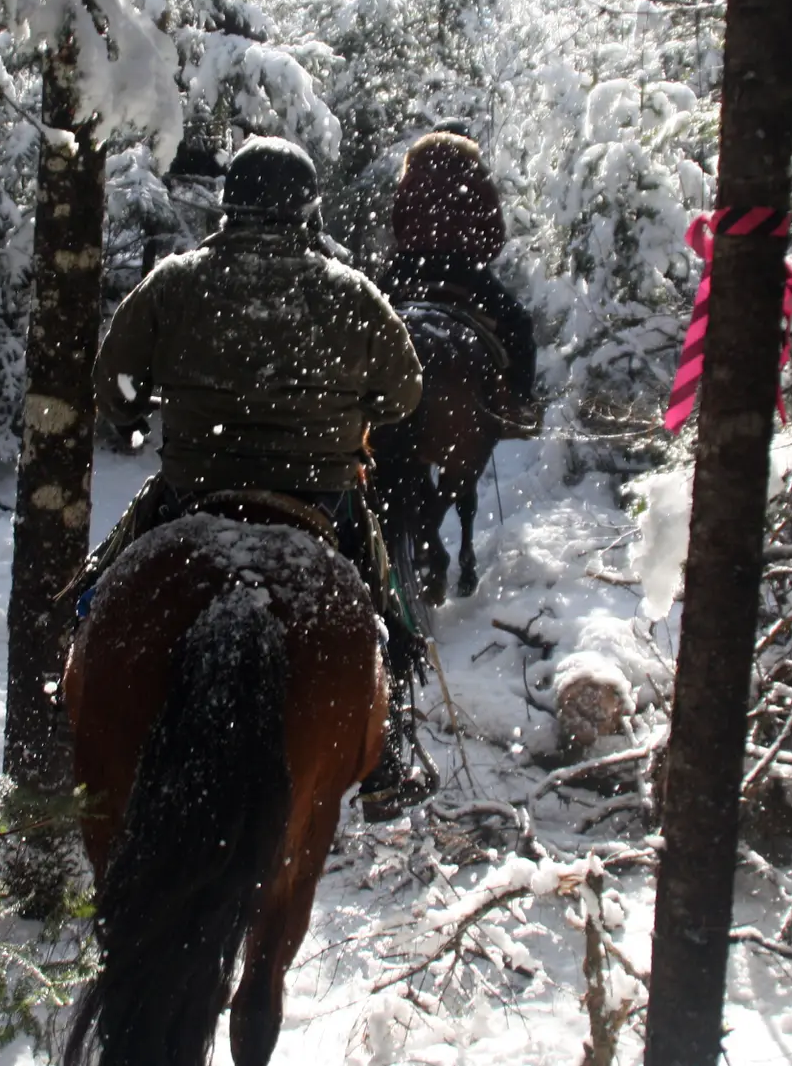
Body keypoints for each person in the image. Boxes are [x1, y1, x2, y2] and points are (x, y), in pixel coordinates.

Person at [81, 135, 438, 812]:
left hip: (195, 487)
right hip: (322, 495)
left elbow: (113, 378)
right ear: (306, 209)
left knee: (104, 584)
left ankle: (70, 664)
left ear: (229, 204)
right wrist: (356, 407)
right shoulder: (350, 291)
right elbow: (405, 392)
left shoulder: (175, 281)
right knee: (381, 607)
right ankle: (391, 749)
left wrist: (134, 408)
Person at [382, 120, 540, 432]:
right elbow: (494, 235)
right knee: (518, 325)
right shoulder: (475, 172)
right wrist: (470, 250)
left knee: (369, 317)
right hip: (463, 270)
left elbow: (398, 224)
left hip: (410, 266)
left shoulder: (414, 170)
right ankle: (518, 406)